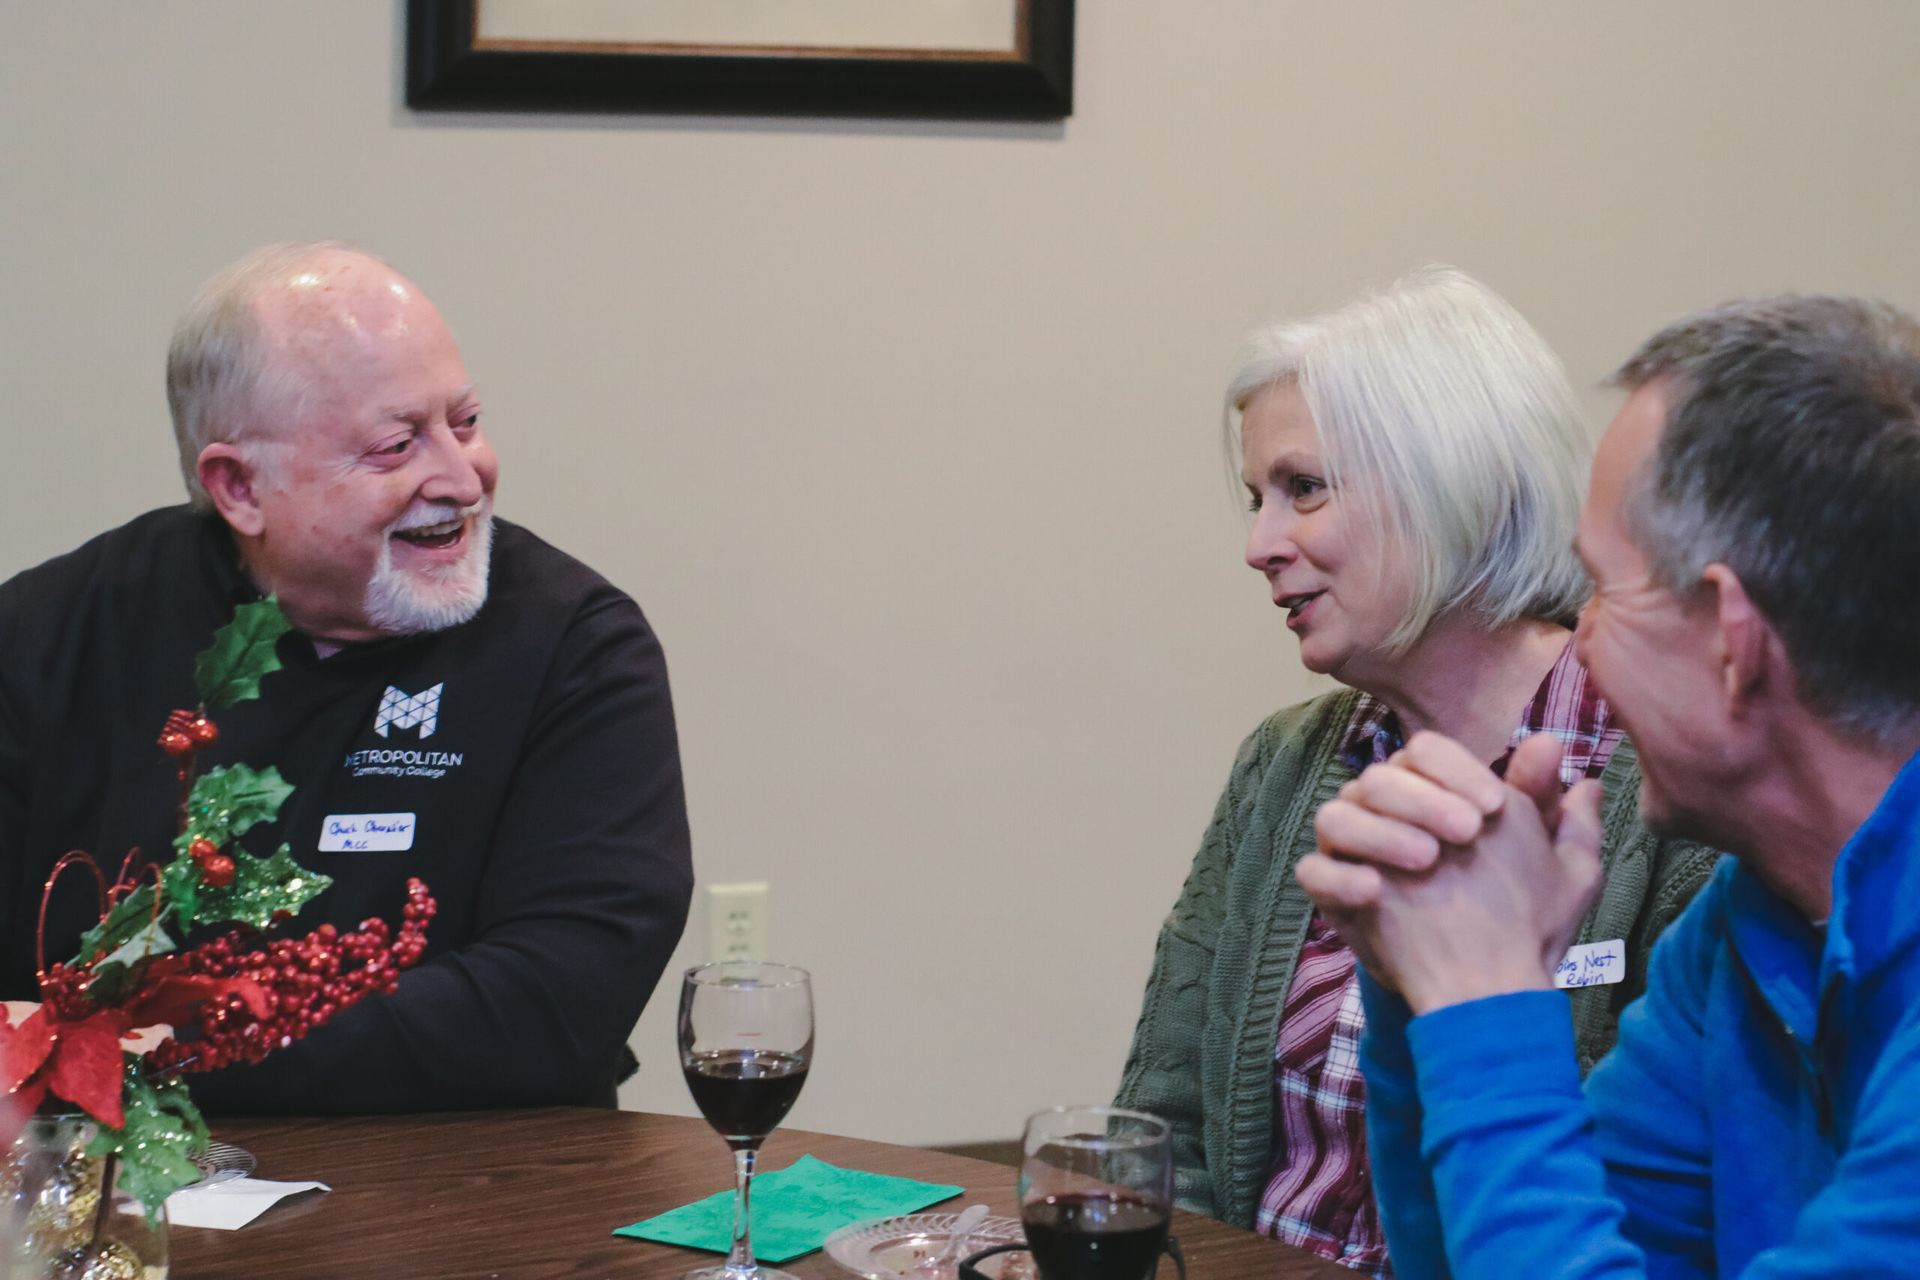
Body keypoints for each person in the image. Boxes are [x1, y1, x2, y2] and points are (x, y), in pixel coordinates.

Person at [1115, 268, 1717, 1275]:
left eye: (1304, 487)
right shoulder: (1285, 763)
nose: (1260, 544)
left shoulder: (1669, 784)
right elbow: (1164, 1138)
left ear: (1450, 483)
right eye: (1257, 496)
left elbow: (1640, 1210)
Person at [1302, 293, 1920, 1276]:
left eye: (1602, 587)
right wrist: (1418, 970)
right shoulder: (1747, 930)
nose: (1577, 637)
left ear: (1731, 638)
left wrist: (1485, 997)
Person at [0, 242, 695, 1113]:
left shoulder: (573, 644)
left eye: (467, 422)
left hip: (470, 1193)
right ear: (239, 488)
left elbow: (559, 1001)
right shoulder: (54, 632)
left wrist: (180, 1045)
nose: (461, 477)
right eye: (396, 445)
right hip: (96, 1191)